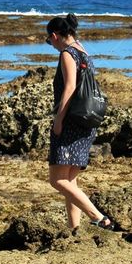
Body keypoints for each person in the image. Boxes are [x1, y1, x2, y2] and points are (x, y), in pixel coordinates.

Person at [45, 13, 113, 231]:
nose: (50, 44)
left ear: (55, 36)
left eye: (48, 40)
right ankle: (74, 229)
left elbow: (70, 88)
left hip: (71, 123)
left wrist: (58, 119)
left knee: (57, 180)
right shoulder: (83, 50)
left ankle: (98, 218)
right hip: (87, 121)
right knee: (70, 181)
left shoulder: (67, 53)